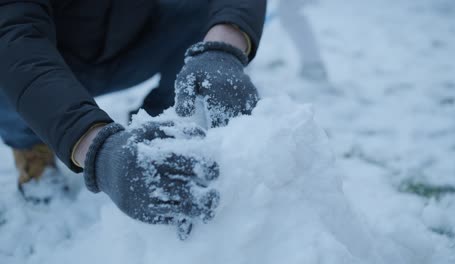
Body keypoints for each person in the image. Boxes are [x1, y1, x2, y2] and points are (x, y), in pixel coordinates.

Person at [0, 0, 266, 239]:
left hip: (130, 44)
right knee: (7, 75)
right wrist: (97, 150)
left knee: (199, 10)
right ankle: (31, 148)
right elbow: (15, 39)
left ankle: (165, 119)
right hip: (50, 59)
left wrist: (223, 47)